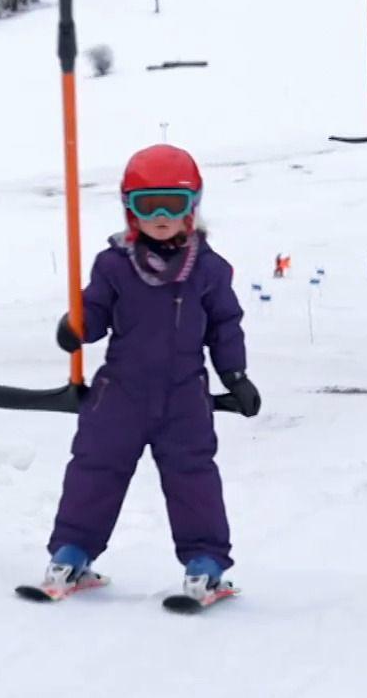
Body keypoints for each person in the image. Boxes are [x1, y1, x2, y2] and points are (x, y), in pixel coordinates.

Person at [44, 144, 261, 606]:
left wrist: (236, 375)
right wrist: (75, 326)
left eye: (173, 204)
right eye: (147, 205)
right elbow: (97, 310)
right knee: (95, 468)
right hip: (118, 392)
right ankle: (72, 551)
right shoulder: (114, 265)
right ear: (129, 210)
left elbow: (225, 324)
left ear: (192, 208)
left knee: (192, 476)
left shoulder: (209, 269)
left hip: (185, 396)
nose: (160, 215)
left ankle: (205, 562)